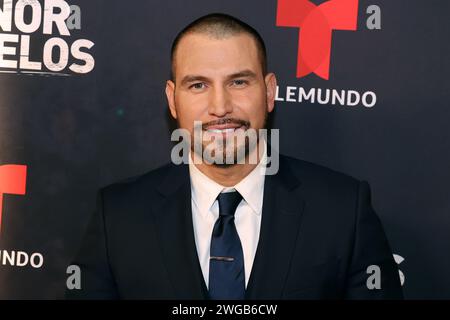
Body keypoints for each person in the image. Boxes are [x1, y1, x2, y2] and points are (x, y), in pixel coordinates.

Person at [66, 13, 403, 300]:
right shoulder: (119, 215)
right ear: (172, 100)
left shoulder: (343, 209)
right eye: (198, 85)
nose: (220, 107)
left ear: (269, 92)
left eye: (239, 82)